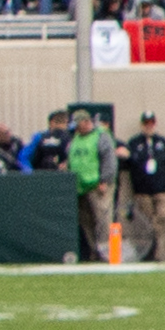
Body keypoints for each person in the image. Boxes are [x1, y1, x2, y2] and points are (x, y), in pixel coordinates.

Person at [125, 112, 165, 263]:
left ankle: (160, 252)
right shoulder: (134, 143)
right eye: (146, 123)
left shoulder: (162, 143)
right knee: (149, 223)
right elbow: (128, 164)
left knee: (163, 218)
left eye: (151, 123)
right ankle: (150, 252)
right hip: (143, 192)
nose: (149, 126)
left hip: (161, 190)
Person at [66, 108, 113, 262]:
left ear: (86, 122)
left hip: (97, 185)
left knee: (102, 220)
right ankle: (95, 251)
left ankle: (106, 251)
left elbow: (109, 160)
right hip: (80, 187)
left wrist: (104, 180)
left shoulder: (101, 137)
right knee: (86, 221)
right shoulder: (75, 139)